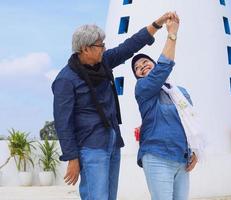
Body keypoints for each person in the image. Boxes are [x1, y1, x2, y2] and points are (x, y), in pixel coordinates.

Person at [52, 12, 176, 200]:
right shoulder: (65, 80)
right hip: (91, 147)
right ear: (85, 49)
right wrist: (72, 158)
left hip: (112, 141)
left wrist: (157, 24)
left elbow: (129, 46)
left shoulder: (104, 62)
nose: (104, 48)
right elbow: (63, 123)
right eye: (100, 45)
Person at [131, 14, 202, 200]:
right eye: (137, 68)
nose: (142, 66)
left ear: (153, 63)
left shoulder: (181, 93)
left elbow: (190, 122)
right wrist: (172, 33)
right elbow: (164, 67)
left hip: (181, 159)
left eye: (146, 62)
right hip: (157, 157)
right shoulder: (143, 89)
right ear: (138, 76)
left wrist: (195, 150)